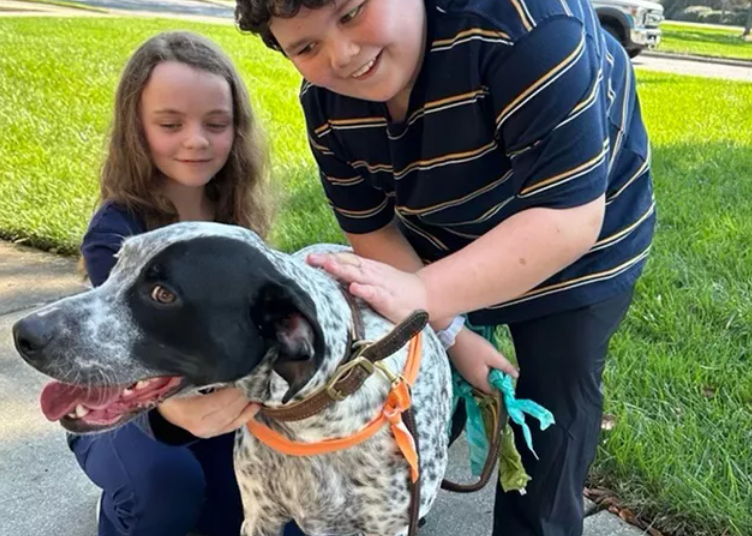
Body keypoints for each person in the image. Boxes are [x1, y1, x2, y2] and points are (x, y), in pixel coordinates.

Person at [233, 0, 655, 535]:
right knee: (417, 387)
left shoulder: (531, 28)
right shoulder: (325, 101)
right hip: (436, 229)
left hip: (577, 238)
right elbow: (373, 230)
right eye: (307, 47)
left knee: (550, 424)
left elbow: (566, 220)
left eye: (352, 12)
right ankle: (417, 486)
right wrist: (450, 331)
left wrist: (425, 295)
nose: (343, 55)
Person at [72, 30, 292, 536]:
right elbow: (134, 360)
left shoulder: (236, 221)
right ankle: (123, 512)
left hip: (215, 398)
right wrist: (179, 411)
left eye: (216, 124)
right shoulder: (116, 235)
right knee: (165, 490)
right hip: (123, 403)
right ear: (137, 128)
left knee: (265, 510)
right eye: (170, 124)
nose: (196, 141)